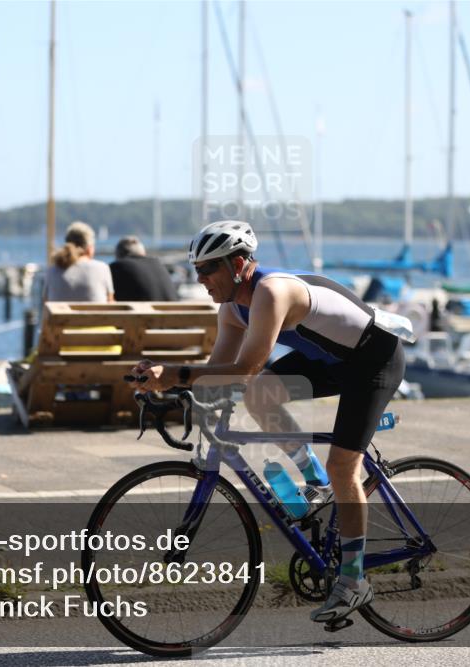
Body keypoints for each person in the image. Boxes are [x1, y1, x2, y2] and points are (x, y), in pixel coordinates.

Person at [128, 220, 405, 624]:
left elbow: (242, 369)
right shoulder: (231, 310)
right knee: (260, 393)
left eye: (208, 269)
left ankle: (353, 580)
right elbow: (219, 372)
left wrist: (175, 373)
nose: (200, 279)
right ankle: (316, 483)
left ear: (238, 264)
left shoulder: (272, 292)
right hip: (329, 361)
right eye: (196, 271)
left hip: (372, 360)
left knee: (344, 466)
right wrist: (168, 391)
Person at [43, 222, 114, 302]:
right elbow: (110, 303)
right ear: (89, 248)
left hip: (61, 315)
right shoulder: (102, 268)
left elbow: (46, 305)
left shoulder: (52, 271)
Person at [109, 236, 178, 302]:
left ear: (118, 255)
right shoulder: (158, 264)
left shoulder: (117, 267)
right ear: (143, 253)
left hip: (142, 314)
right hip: (173, 313)